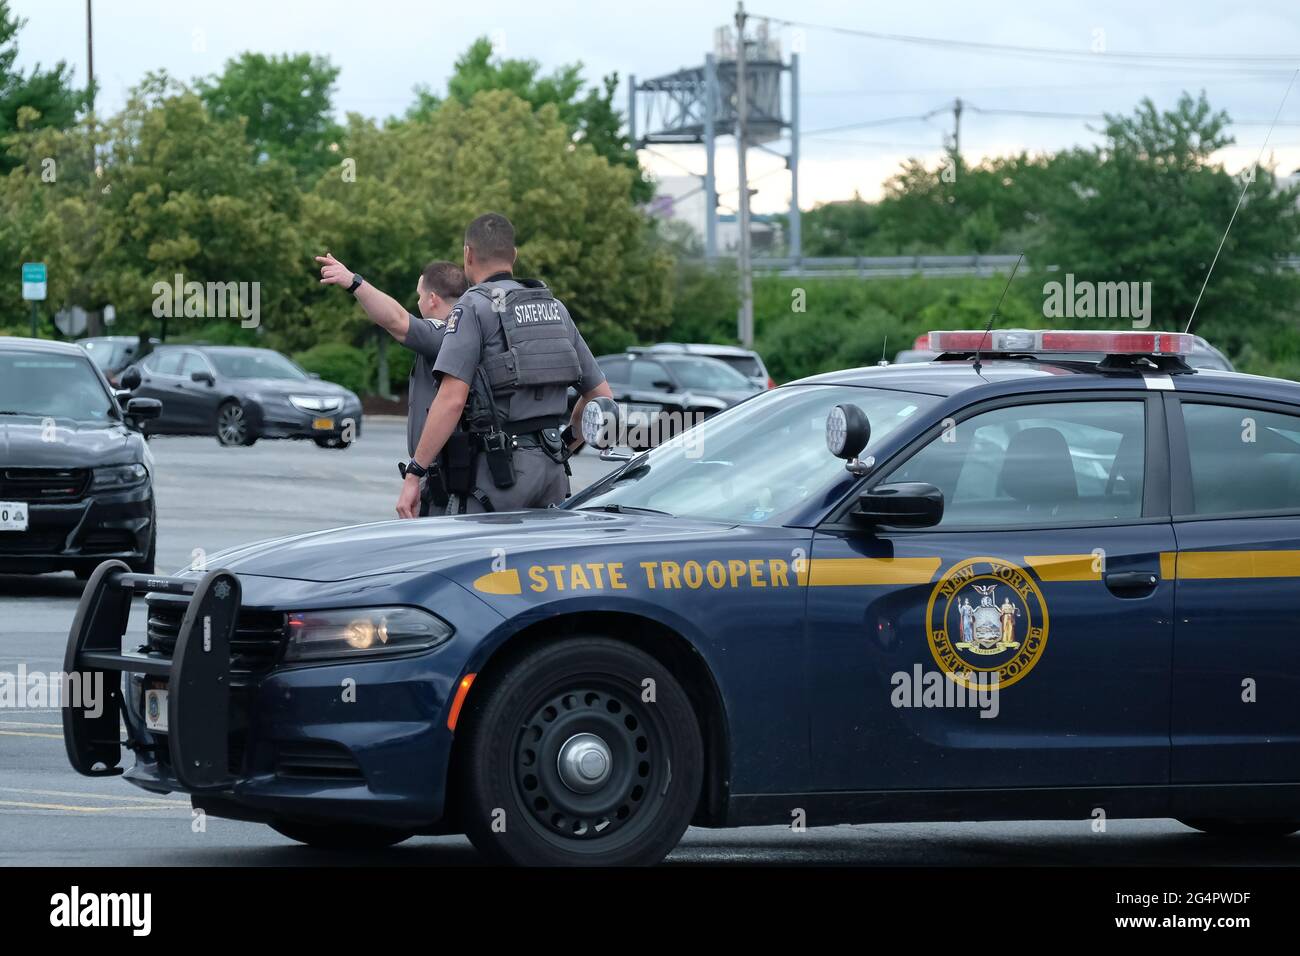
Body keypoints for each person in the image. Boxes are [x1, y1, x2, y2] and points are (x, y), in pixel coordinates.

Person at [395, 212, 613, 518]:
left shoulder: (473, 306)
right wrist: (564, 443)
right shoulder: (554, 307)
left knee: (477, 562)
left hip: (497, 478)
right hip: (553, 474)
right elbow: (602, 397)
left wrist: (414, 473)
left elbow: (452, 399)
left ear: (467, 255)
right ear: (514, 255)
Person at [315, 252, 468, 516]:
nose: (418, 302)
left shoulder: (447, 332)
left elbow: (396, 320)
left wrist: (354, 282)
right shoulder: (470, 331)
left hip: (446, 474)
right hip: (450, 470)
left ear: (432, 299)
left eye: (420, 296)